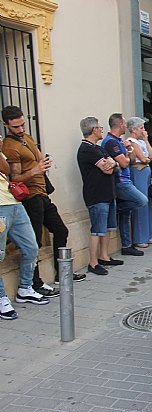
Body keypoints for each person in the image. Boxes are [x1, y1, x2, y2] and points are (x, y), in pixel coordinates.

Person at [2, 106, 85, 296]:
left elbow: (38, 158)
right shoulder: (9, 146)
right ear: (6, 126)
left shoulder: (27, 138)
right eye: (16, 127)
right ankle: (34, 282)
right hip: (30, 197)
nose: (21, 129)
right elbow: (14, 179)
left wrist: (43, 163)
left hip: (42, 194)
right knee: (34, 242)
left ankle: (62, 273)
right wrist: (35, 171)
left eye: (22, 124)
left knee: (61, 230)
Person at [1, 135, 45, 318]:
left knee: (31, 246)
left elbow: (5, 169)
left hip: (13, 202)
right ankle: (1, 297)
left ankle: (25, 288)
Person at [76, 117, 123, 276]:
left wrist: (113, 164)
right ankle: (93, 262)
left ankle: (104, 256)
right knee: (97, 229)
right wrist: (113, 165)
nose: (101, 130)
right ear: (93, 130)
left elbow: (115, 166)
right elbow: (108, 169)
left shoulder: (99, 148)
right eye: (100, 128)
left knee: (108, 228)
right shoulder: (86, 149)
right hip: (96, 196)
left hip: (108, 193)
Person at [102, 113, 148, 256]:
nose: (126, 126)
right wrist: (127, 157)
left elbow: (132, 161)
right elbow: (124, 163)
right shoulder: (111, 142)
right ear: (120, 125)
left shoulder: (119, 141)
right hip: (120, 182)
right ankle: (117, 209)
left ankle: (126, 245)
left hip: (125, 179)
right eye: (124, 123)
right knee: (142, 201)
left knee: (126, 215)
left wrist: (129, 150)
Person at [126, 117, 152, 248]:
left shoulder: (141, 142)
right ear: (134, 129)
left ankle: (148, 234)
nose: (144, 130)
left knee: (147, 202)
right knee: (141, 202)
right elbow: (144, 159)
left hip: (145, 171)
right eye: (141, 128)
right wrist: (146, 160)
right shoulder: (131, 142)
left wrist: (146, 140)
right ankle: (140, 237)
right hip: (138, 171)